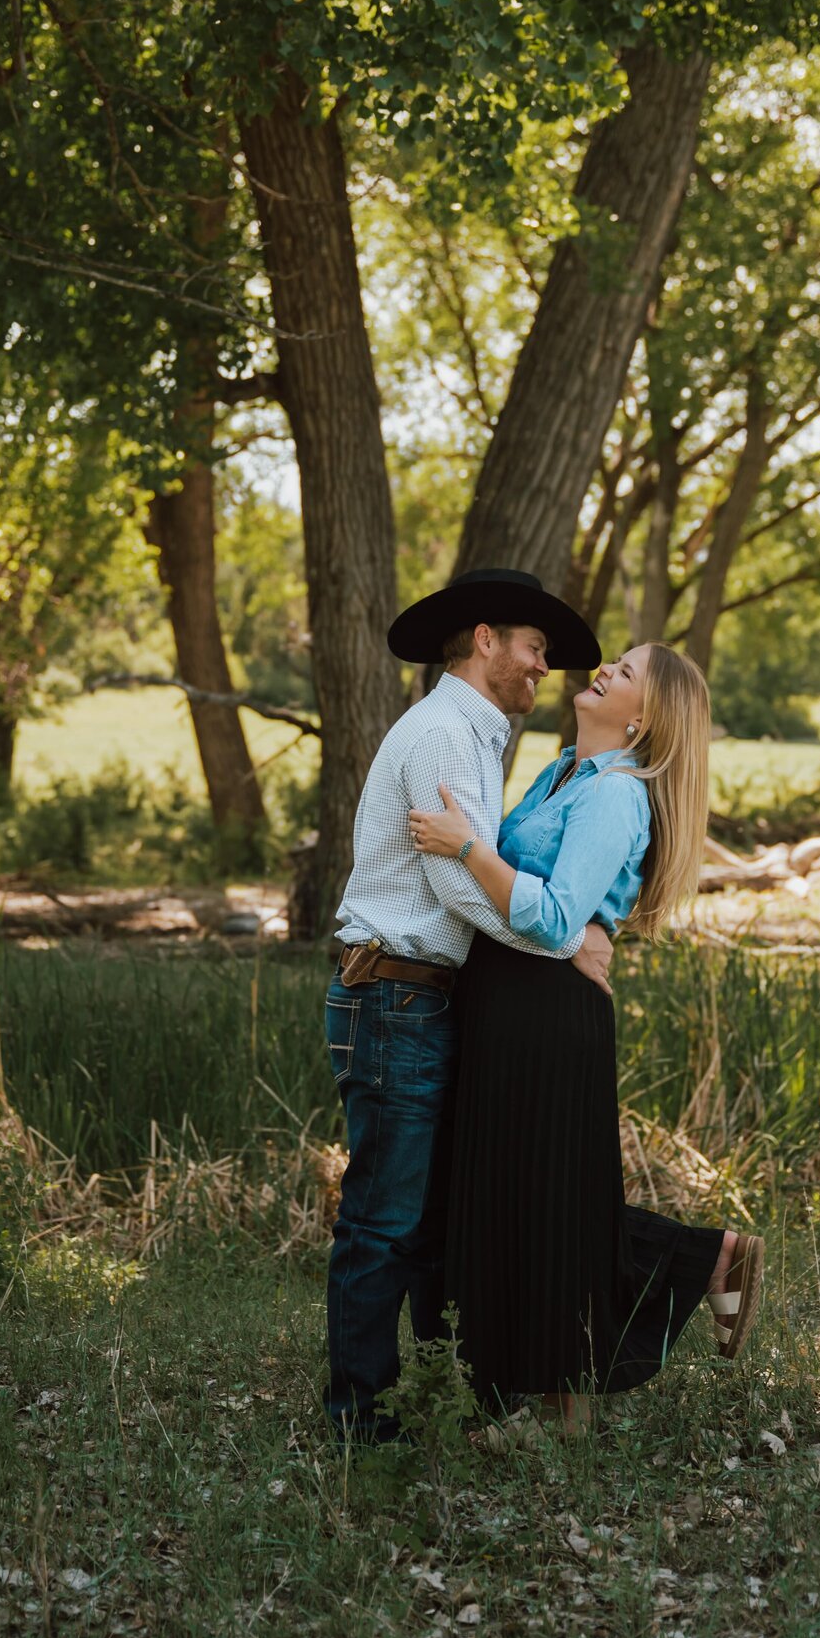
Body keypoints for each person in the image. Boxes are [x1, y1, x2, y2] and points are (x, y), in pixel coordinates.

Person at [409, 641, 764, 1430]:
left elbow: (556, 914)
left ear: (641, 722)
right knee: (517, 1197)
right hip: (507, 999)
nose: (605, 669)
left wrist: (464, 845)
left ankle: (559, 1405)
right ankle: (700, 1266)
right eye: (618, 660)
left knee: (548, 1202)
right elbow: (539, 893)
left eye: (626, 673)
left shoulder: (616, 795)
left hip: (548, 1013)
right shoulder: (562, 770)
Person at [324, 567, 609, 1444]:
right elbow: (461, 889)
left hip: (422, 999)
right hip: (396, 996)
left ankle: (436, 1399)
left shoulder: (476, 733)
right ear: (485, 640)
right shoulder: (448, 735)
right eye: (533, 649)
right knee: (386, 1222)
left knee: (433, 1222)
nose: (543, 668)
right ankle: (358, 1421)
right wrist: (571, 939)